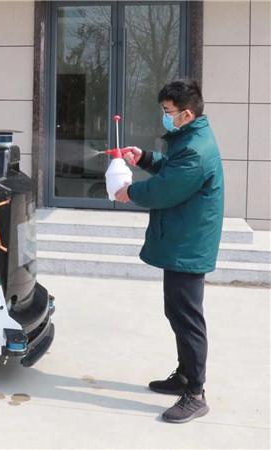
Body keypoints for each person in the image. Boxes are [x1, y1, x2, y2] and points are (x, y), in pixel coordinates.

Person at [115, 79, 224, 423]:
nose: (164, 116)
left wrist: (130, 192)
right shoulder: (190, 139)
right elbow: (173, 169)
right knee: (177, 312)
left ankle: (195, 393)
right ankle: (184, 376)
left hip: (188, 244)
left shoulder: (195, 149)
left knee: (187, 319)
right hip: (183, 239)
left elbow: (166, 190)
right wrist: (146, 158)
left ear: (186, 114)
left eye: (168, 111)